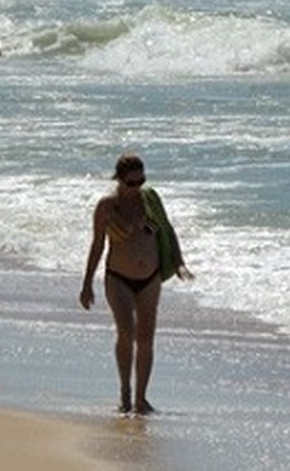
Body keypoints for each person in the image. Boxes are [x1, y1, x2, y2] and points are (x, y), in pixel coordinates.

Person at [80, 154, 193, 415]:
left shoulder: (150, 201)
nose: (137, 187)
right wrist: (87, 284)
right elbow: (97, 245)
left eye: (141, 181)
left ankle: (141, 398)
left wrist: (179, 263)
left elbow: (166, 230)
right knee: (126, 333)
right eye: (131, 183)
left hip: (150, 278)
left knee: (145, 339)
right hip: (118, 277)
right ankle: (125, 393)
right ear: (119, 180)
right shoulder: (107, 207)